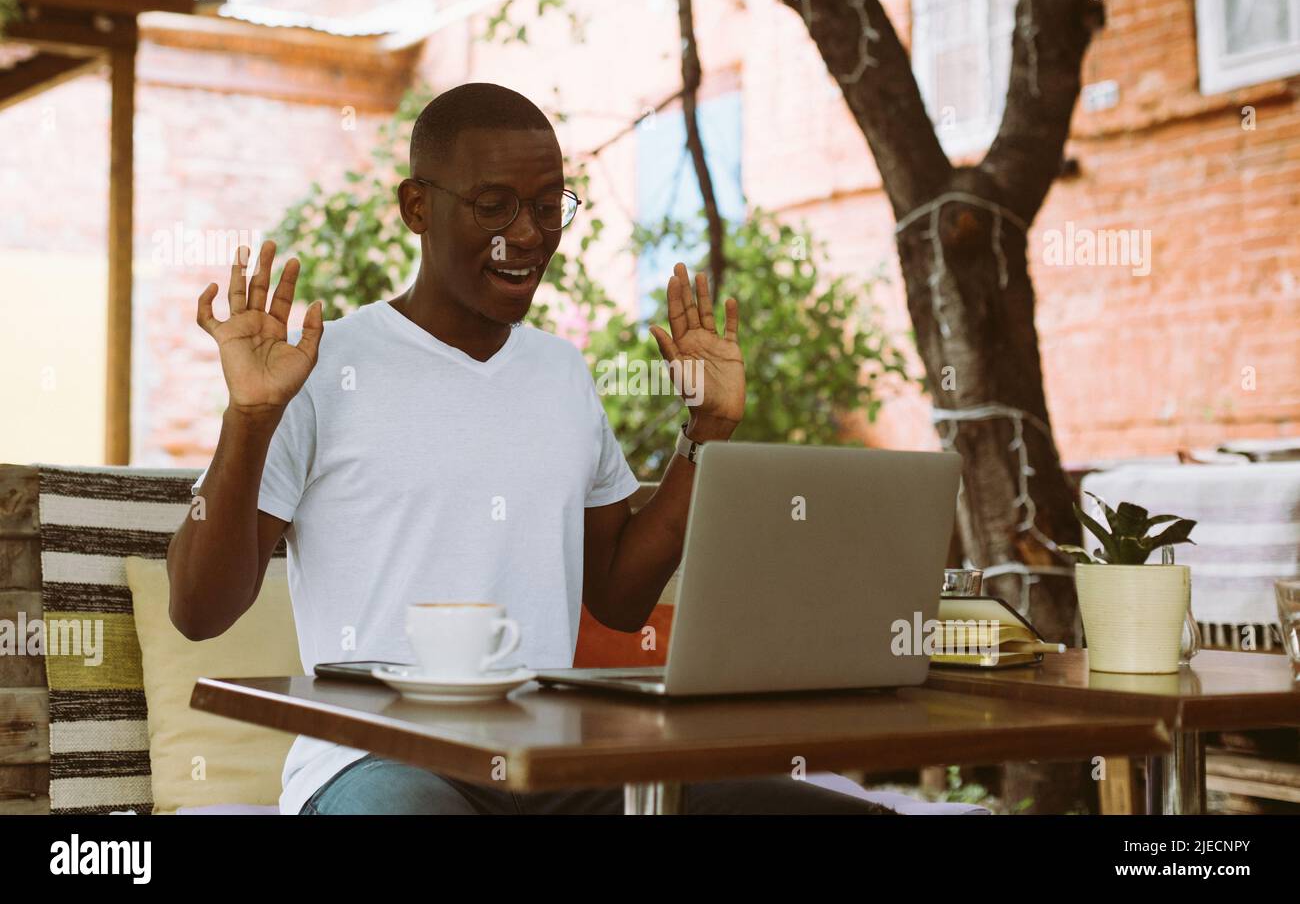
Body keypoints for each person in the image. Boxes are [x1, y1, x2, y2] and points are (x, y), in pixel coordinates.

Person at [166, 82, 891, 815]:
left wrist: (707, 429)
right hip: (378, 764)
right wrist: (250, 418)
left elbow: (618, 594)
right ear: (417, 207)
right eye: (494, 205)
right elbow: (199, 608)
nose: (530, 234)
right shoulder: (322, 369)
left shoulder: (560, 373)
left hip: (553, 766)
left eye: (549, 207)